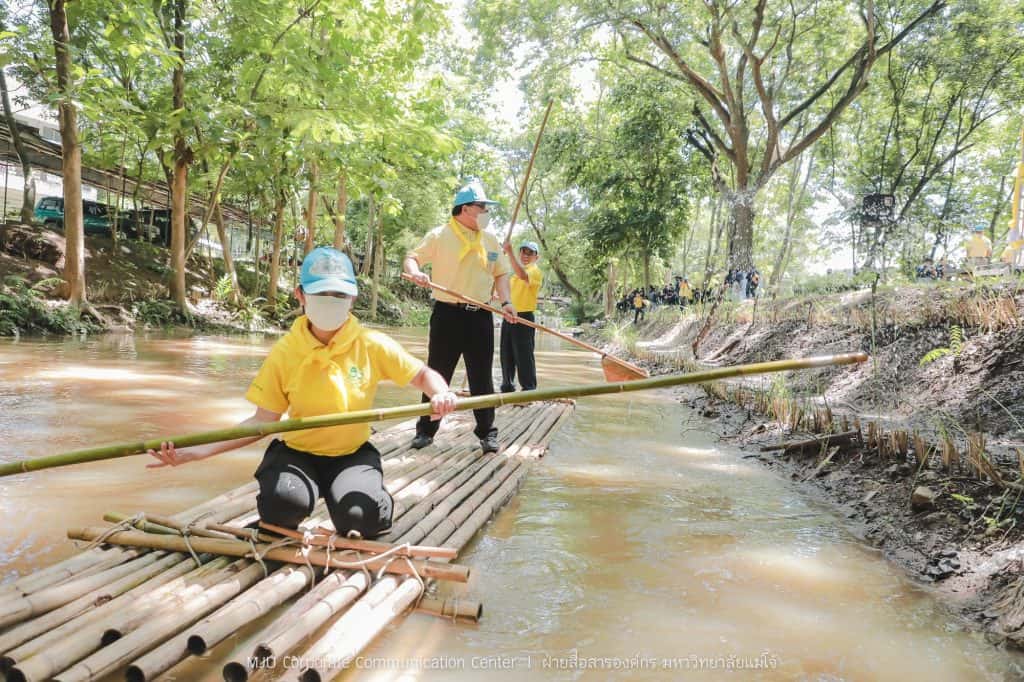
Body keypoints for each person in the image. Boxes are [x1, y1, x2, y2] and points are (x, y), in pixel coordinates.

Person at [146, 247, 458, 539]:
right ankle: (286, 504)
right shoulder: (285, 352)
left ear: (352, 298)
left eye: (339, 294)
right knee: (282, 506)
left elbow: (421, 375)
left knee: (361, 517)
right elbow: (262, 421)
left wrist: (440, 393)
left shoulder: (371, 344)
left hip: (351, 454)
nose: (330, 299)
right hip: (297, 455)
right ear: (300, 295)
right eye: (321, 292)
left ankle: (370, 499)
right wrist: (196, 451)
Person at [404, 180, 516, 454]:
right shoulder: (440, 235)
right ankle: (425, 430)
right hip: (447, 314)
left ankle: (487, 433)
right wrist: (416, 272)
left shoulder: (490, 240)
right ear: (466, 209)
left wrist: (507, 302)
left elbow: (501, 273)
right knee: (437, 372)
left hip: (480, 317)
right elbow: (411, 258)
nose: (487, 213)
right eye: (482, 207)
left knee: (482, 378)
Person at [500, 240, 543, 392]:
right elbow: (506, 291)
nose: (526, 255)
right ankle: (507, 387)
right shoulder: (514, 275)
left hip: (524, 318)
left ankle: (528, 389)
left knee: (523, 355)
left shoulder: (534, 271)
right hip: (509, 316)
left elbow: (523, 275)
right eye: (523, 252)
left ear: (536, 257)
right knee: (506, 354)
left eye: (530, 253)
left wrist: (509, 252)